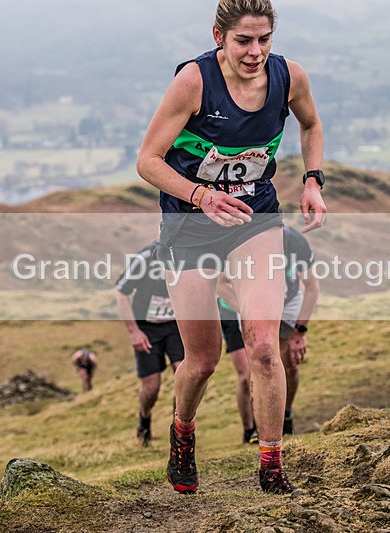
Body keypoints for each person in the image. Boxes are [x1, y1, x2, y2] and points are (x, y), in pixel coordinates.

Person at [136, 0, 327, 494]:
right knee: (202, 360)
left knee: (265, 346)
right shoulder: (193, 82)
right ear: (219, 36)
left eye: (264, 40)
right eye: (243, 40)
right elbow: (148, 160)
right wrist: (201, 195)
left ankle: (271, 464)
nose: (255, 51)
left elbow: (310, 124)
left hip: (254, 219)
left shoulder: (289, 77)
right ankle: (182, 432)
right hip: (190, 228)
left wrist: (312, 181)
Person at [219, 225, 320, 439]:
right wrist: (247, 311)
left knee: (288, 363)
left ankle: (285, 416)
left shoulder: (294, 241)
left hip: (288, 301)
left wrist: (299, 332)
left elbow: (312, 286)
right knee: (255, 366)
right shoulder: (238, 239)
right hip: (250, 303)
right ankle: (253, 428)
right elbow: (220, 285)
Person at [115, 241, 185, 448]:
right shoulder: (145, 257)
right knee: (151, 387)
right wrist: (134, 332)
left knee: (185, 375)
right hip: (147, 329)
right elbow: (121, 291)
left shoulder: (190, 254)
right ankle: (144, 420)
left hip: (175, 327)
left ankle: (180, 430)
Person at [218, 298, 258, 444]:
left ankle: (262, 425)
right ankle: (248, 428)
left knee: (261, 370)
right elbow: (221, 285)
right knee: (245, 376)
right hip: (231, 312)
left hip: (257, 309)